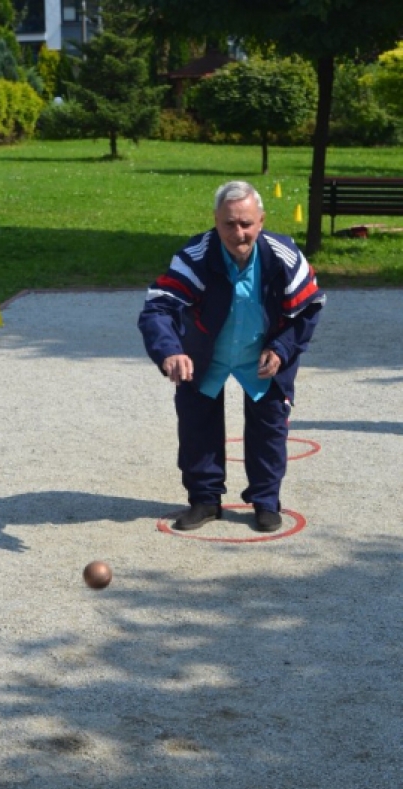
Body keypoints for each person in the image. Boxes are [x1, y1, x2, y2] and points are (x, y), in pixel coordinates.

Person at [138, 180, 325, 533]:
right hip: (207, 351)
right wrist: (171, 351)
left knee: (269, 425)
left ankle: (266, 500)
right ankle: (204, 500)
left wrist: (283, 349)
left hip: (264, 351)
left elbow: (309, 308)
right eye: (229, 223)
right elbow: (157, 308)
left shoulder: (283, 257)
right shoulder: (195, 257)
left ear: (261, 221)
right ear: (216, 220)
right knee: (197, 425)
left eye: (246, 224)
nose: (238, 233)